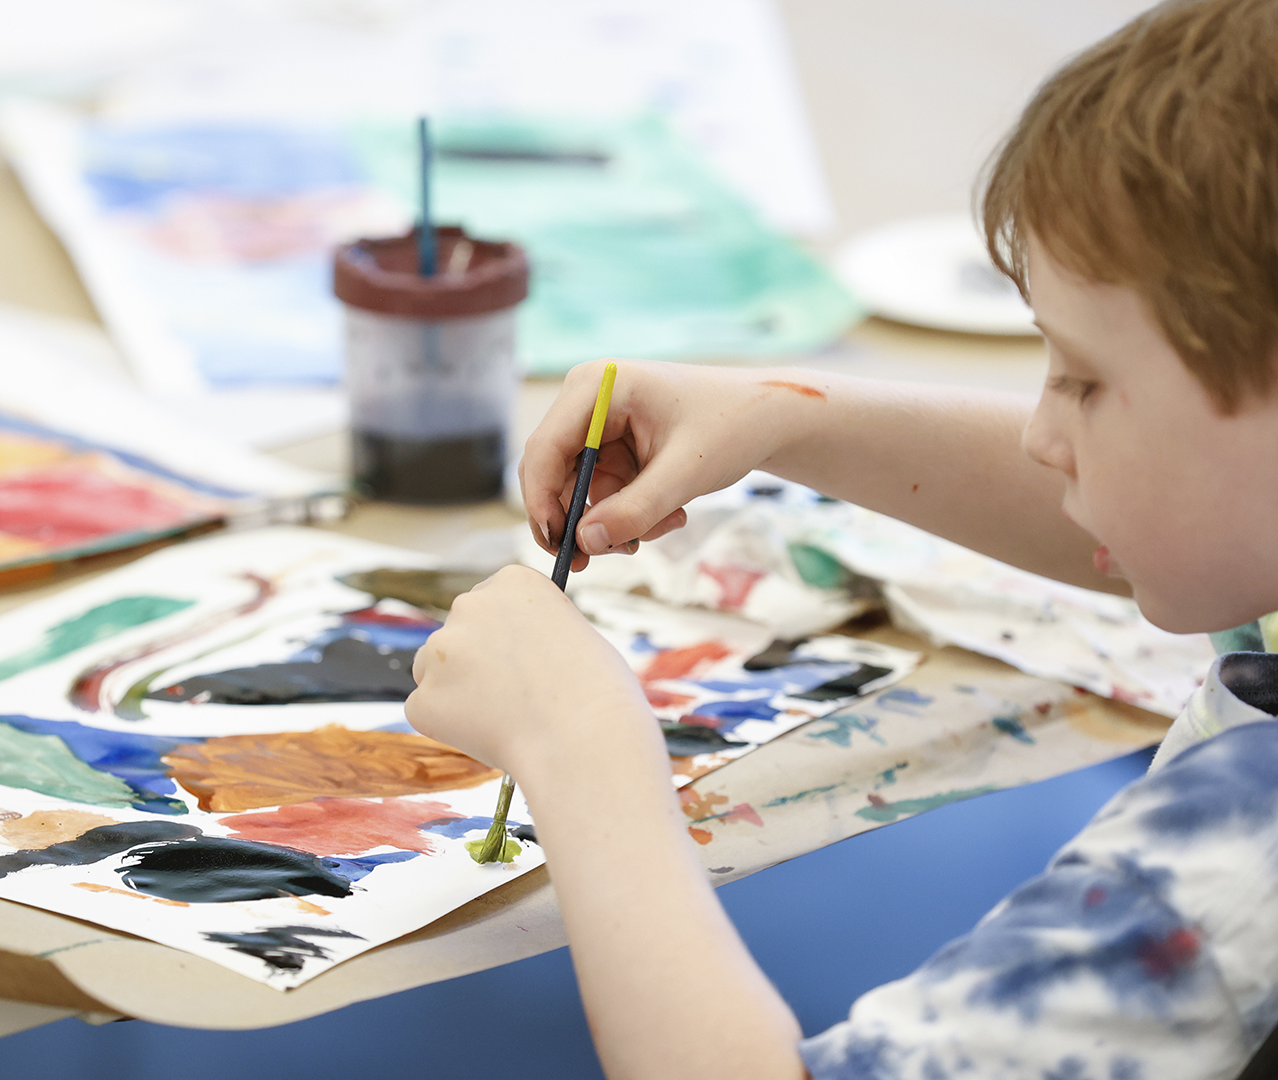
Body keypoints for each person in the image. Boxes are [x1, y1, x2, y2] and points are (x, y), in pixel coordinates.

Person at [405, 1, 1278, 1075]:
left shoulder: (1240, 859)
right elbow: (1212, 524)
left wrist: (577, 748)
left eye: (1086, 381)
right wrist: (799, 415)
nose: (1045, 435)